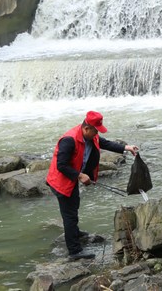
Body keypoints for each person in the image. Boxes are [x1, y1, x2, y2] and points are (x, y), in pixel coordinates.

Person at [46, 111, 139, 260]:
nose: (97, 134)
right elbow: (61, 165)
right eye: (95, 130)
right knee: (69, 215)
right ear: (86, 128)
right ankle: (74, 252)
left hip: (71, 179)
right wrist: (80, 175)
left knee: (74, 206)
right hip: (60, 181)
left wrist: (126, 147)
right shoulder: (69, 140)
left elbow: (105, 143)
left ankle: (75, 233)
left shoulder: (91, 136)